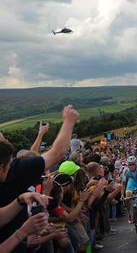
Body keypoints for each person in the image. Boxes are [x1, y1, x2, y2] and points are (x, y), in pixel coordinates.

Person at [0, 105, 79, 253]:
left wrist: (21, 199)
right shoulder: (17, 171)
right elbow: (56, 153)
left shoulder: (17, 169)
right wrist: (69, 121)